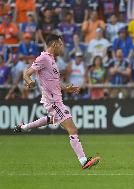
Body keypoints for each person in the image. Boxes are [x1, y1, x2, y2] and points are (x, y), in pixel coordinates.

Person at [13, 34, 100, 169]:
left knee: (51, 119)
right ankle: (83, 161)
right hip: (53, 101)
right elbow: (26, 73)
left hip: (56, 99)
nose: (62, 47)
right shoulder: (43, 58)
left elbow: (54, 82)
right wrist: (30, 82)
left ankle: (24, 127)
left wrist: (66, 88)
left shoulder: (51, 60)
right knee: (72, 128)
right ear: (54, 45)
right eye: (60, 44)